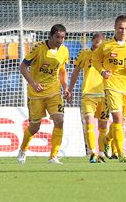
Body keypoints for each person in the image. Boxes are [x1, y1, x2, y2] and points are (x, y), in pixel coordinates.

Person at [92, 15, 126, 163]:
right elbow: (95, 60)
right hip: (112, 86)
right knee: (116, 118)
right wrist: (102, 71)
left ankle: (108, 140)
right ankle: (121, 153)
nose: (123, 31)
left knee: (120, 122)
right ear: (115, 28)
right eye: (120, 28)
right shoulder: (106, 45)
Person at [17, 24, 71, 164]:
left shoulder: (64, 51)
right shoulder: (38, 48)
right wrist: (33, 83)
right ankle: (23, 149)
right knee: (35, 127)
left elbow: (63, 71)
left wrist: (65, 87)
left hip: (54, 92)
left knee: (59, 120)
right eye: (58, 37)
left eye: (63, 37)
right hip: (36, 93)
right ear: (51, 36)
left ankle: (53, 156)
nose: (60, 40)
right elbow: (23, 67)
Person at [68, 33, 108, 163]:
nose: (97, 47)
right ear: (92, 42)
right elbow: (75, 71)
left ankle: (101, 153)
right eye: (96, 44)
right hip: (88, 94)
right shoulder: (84, 54)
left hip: (104, 94)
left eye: (100, 45)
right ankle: (92, 153)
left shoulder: (107, 55)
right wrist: (70, 88)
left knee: (102, 125)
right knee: (89, 122)